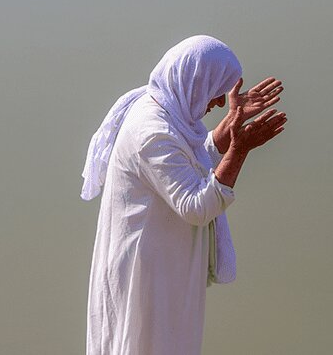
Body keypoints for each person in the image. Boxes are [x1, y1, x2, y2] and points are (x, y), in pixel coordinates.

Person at [81, 35, 286, 355]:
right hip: (146, 278)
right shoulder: (151, 132)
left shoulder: (163, 108)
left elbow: (189, 161)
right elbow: (196, 206)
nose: (220, 102)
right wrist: (239, 150)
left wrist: (229, 127)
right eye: (217, 90)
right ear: (195, 82)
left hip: (164, 264)